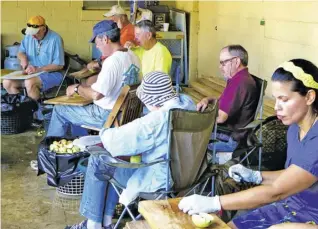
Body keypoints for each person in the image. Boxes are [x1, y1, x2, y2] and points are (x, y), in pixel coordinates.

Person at [179, 59, 318, 228]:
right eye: (275, 99)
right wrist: (256, 176)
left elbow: (277, 191)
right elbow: (293, 175)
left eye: (284, 99)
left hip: (312, 213)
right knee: (230, 226)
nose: (276, 107)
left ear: (309, 97)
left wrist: (215, 202)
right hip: (293, 203)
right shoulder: (294, 128)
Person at [65, 71, 196, 229]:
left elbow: (114, 141)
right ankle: (105, 221)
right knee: (111, 161)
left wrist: (105, 132)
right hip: (189, 174)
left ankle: (93, 225)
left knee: (99, 160)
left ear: (151, 100)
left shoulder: (156, 121)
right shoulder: (187, 104)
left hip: (160, 178)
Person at [47, 20, 140, 137]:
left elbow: (96, 94)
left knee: (60, 110)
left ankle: (49, 150)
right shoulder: (133, 56)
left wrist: (76, 88)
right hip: (127, 113)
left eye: (97, 42)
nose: (97, 46)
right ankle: (80, 145)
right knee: (77, 109)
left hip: (107, 115)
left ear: (105, 39)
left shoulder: (112, 61)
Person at [197, 45, 258, 152]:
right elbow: (224, 101)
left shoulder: (238, 83)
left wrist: (199, 120)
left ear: (236, 61)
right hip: (237, 133)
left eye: (223, 63)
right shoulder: (240, 78)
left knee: (189, 135)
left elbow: (221, 118)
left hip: (232, 138)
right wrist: (207, 99)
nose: (220, 67)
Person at [3, 15, 64, 100]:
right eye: (31, 33)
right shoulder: (29, 36)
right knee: (7, 82)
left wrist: (38, 69)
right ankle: (22, 106)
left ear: (43, 29)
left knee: (30, 82)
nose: (32, 36)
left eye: (36, 33)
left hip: (51, 73)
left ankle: (34, 110)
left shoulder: (55, 39)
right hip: (31, 73)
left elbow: (59, 65)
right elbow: (20, 52)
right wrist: (23, 58)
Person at [84, 5, 136, 85]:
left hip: (120, 68)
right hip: (116, 65)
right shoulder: (121, 30)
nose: (111, 21)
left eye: (114, 18)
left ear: (122, 18)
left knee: (89, 82)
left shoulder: (128, 32)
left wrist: (99, 63)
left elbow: (117, 53)